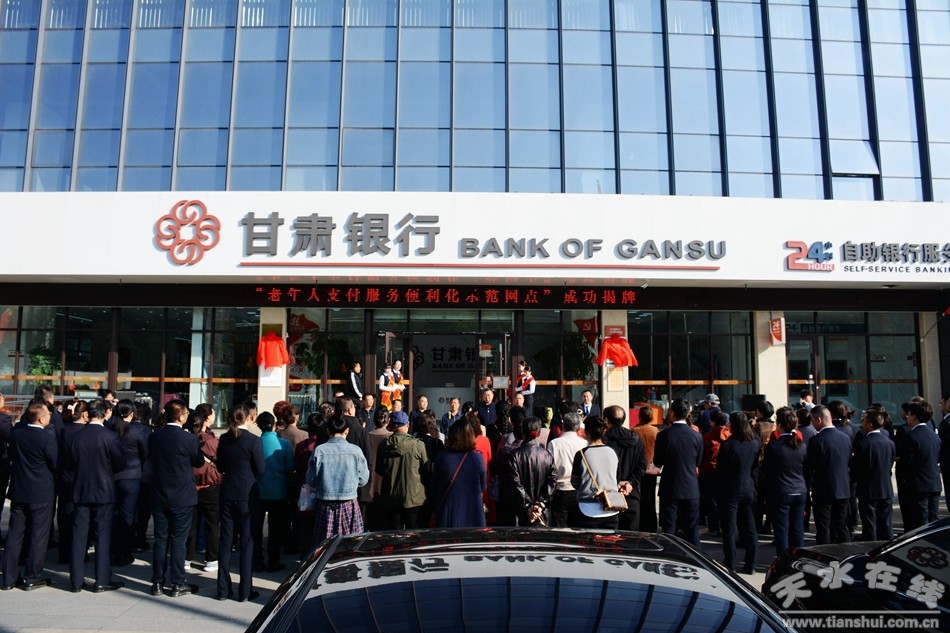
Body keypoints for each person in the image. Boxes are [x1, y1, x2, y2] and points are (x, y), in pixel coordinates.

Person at [65, 398, 126, 593]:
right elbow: (120, 463)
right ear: (105, 414)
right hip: (103, 489)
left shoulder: (74, 436)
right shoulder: (110, 437)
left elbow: (68, 463)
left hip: (80, 488)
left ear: (87, 414)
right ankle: (102, 578)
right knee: (102, 536)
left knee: (78, 535)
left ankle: (76, 580)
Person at [148, 399, 203, 598]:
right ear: (180, 417)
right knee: (179, 540)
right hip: (182, 495)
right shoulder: (188, 439)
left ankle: (157, 582)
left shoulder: (155, 436)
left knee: (160, 539)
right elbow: (198, 461)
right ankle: (178, 582)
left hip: (160, 493)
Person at [1, 402, 57, 591]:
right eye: (47, 414)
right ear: (40, 419)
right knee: (38, 535)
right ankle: (32, 576)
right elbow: (55, 462)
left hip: (19, 490)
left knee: (14, 534)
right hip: (41, 491)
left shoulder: (17, 435)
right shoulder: (46, 438)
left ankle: (8, 577)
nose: (50, 417)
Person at [216, 405, 265, 603]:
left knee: (225, 541)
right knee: (247, 542)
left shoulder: (224, 439)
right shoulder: (253, 440)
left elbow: (220, 465)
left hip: (228, 491)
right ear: (248, 419)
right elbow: (261, 469)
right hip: (247, 494)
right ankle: (245, 590)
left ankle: (222, 589)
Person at [306, 414, 369, 546]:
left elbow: (311, 480)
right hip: (349, 503)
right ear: (347, 431)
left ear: (328, 431)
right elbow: (363, 480)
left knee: (325, 546)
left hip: (325, 503)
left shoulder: (319, 451)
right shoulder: (356, 451)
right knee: (350, 544)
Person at [653, 398, 703, 546]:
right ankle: (695, 558)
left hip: (670, 486)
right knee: (692, 529)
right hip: (691, 487)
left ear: (672, 413)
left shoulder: (664, 435)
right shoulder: (697, 436)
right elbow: (698, 462)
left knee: (669, 529)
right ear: (688, 413)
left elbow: (658, 462)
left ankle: (670, 556)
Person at [716, 412, 759, 574]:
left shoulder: (728, 445)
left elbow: (720, 468)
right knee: (749, 526)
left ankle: (730, 563)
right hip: (748, 487)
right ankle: (751, 563)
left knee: (729, 528)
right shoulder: (754, 443)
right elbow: (755, 466)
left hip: (731, 488)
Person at [763, 407, 807, 557]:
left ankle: (783, 560)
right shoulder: (801, 446)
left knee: (781, 530)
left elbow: (767, 469)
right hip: (799, 489)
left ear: (780, 425)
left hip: (781, 490)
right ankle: (799, 558)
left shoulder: (774, 446)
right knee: (797, 529)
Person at [253, 411, 293, 573]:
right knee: (275, 529)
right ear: (274, 425)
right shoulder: (284, 444)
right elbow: (290, 467)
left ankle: (257, 560)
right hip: (278, 491)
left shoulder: (254, 442)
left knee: (256, 528)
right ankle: (273, 561)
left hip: (257, 490)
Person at [806, 404, 852, 545]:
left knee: (823, 528)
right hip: (843, 489)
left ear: (819, 420)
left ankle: (824, 554)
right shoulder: (846, 438)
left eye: (813, 421)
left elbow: (810, 467)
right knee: (842, 526)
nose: (812, 424)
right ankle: (846, 553)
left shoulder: (816, 441)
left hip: (823, 491)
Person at [111, 399, 149, 568]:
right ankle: (123, 552)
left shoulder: (110, 427)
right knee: (128, 516)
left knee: (114, 514)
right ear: (132, 413)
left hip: (114, 476)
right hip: (132, 476)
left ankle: (112, 549)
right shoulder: (139, 430)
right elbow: (145, 453)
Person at [184, 404, 222, 573]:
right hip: (210, 485)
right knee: (212, 524)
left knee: (190, 524)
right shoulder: (210, 441)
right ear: (205, 419)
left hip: (190, 485)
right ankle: (211, 559)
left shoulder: (186, 438)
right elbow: (221, 459)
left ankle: (187, 558)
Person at [375, 411, 428, 529]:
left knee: (393, 534)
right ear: (408, 424)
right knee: (413, 533)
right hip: (414, 497)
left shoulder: (384, 444)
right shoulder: (418, 445)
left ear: (391, 424)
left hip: (391, 496)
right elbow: (426, 470)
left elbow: (379, 470)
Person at [431, 418, 487, 528]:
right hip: (473, 514)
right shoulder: (477, 458)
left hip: (448, 514)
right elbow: (483, 486)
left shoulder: (442, 457)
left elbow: (434, 484)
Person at [896, 400, 942, 532]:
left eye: (909, 414)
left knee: (920, 523)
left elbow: (906, 463)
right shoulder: (934, 436)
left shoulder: (911, 436)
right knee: (933, 521)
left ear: (915, 417)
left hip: (918, 486)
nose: (907, 417)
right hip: (934, 483)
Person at [570, 416, 622, 529]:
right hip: (611, 507)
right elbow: (617, 479)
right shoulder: (613, 452)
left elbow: (575, 483)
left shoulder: (581, 454)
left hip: (587, 508)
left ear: (587, 432)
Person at [853, 407, 894, 541]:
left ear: (870, 424)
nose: (862, 423)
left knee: (870, 524)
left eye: (864, 421)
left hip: (868, 489)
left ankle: (872, 548)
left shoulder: (863, 444)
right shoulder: (890, 443)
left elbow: (857, 468)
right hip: (886, 488)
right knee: (886, 524)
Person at [602, 405, 646, 531]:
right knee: (630, 537)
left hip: (608, 495)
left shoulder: (603, 440)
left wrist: (617, 483)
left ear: (606, 420)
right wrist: (630, 482)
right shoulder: (636, 439)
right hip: (631, 493)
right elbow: (642, 466)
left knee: (609, 536)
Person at [508, 417, 557, 527]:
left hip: (521, 511)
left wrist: (528, 505)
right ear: (539, 432)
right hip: (541, 511)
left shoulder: (514, 455)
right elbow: (553, 481)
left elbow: (515, 483)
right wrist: (541, 503)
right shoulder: (547, 455)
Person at [546, 409, 586, 528]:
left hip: (559, 489)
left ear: (563, 425)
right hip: (579, 489)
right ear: (578, 427)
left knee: (559, 528)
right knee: (577, 527)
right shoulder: (584, 444)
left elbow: (549, 468)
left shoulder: (554, 443)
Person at [699, 408, 730, 536]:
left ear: (712, 422)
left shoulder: (707, 436)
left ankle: (713, 526)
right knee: (724, 499)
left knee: (711, 500)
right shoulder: (730, 435)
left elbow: (702, 455)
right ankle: (725, 525)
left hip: (709, 470)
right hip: (726, 471)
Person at [632, 406, 662, 532]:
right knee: (650, 497)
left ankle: (640, 523)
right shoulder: (656, 431)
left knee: (638, 497)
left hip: (637, 468)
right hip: (651, 468)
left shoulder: (634, 431)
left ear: (640, 416)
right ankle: (651, 524)